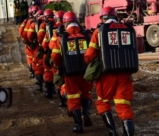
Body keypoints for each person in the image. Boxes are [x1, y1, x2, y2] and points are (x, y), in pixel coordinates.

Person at [84, 7, 137, 136]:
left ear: (102, 18)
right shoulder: (128, 29)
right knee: (123, 104)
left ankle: (112, 132)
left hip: (106, 75)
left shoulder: (99, 32)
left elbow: (90, 54)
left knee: (103, 101)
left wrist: (86, 61)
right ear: (115, 16)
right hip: (125, 74)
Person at [51, 11, 93, 133]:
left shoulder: (60, 36)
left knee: (73, 97)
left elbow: (55, 56)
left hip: (70, 73)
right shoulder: (86, 34)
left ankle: (78, 125)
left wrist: (59, 67)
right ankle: (85, 112)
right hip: (86, 71)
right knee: (86, 92)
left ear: (65, 23)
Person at [47, 10, 67, 106]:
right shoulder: (69, 29)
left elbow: (50, 46)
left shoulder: (54, 30)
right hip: (71, 61)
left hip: (58, 60)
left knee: (59, 81)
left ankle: (63, 101)